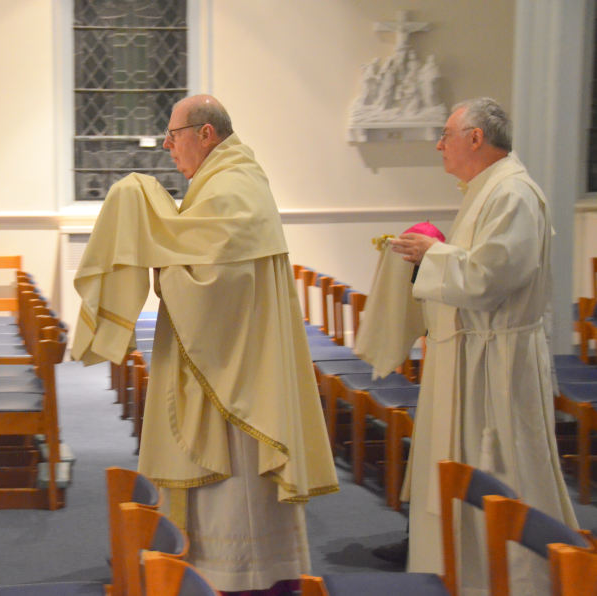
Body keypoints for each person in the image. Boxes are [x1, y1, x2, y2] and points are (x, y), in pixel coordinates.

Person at [71, 95, 338, 594]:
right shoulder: (224, 183)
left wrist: (147, 214)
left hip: (238, 370)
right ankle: (212, 563)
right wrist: (159, 227)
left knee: (236, 488)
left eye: (174, 136)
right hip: (226, 357)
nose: (169, 147)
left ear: (206, 134)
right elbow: (196, 252)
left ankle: (240, 572)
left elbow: (216, 285)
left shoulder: (234, 187)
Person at [390, 98, 578, 596]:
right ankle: (465, 567)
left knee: (502, 465)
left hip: (496, 362)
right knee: (469, 465)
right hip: (470, 353)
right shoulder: (488, 189)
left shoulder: (513, 193)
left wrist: (434, 253)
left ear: (476, 138)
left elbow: (490, 277)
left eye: (447, 134)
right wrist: (436, 256)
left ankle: (519, 577)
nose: (439, 144)